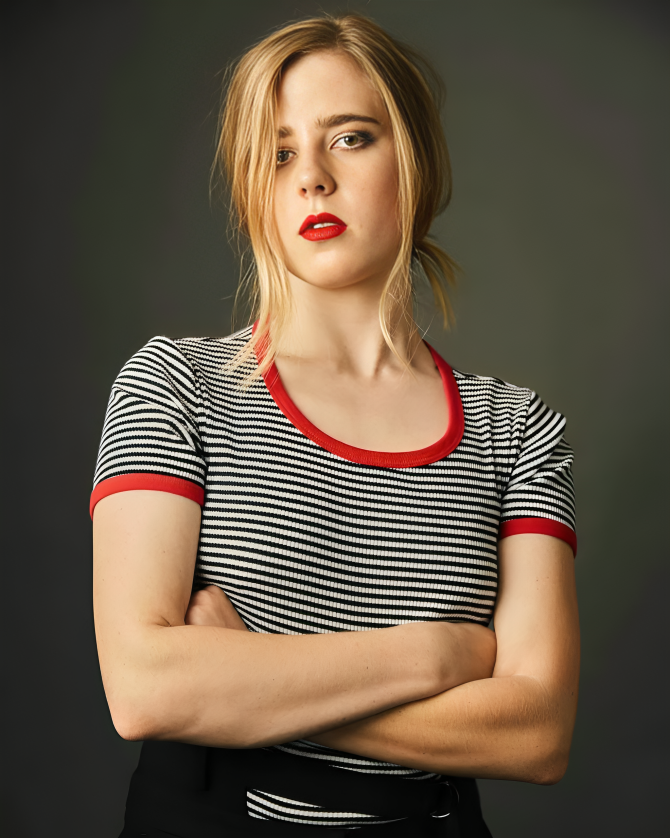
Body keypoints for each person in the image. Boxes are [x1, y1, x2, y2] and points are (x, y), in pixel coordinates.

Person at [91, 12, 580, 838]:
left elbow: (536, 734)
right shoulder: (175, 385)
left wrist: (246, 682)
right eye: (278, 153)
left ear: (415, 160)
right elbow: (145, 690)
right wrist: (435, 657)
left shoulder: (517, 430)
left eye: (350, 139)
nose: (311, 178)